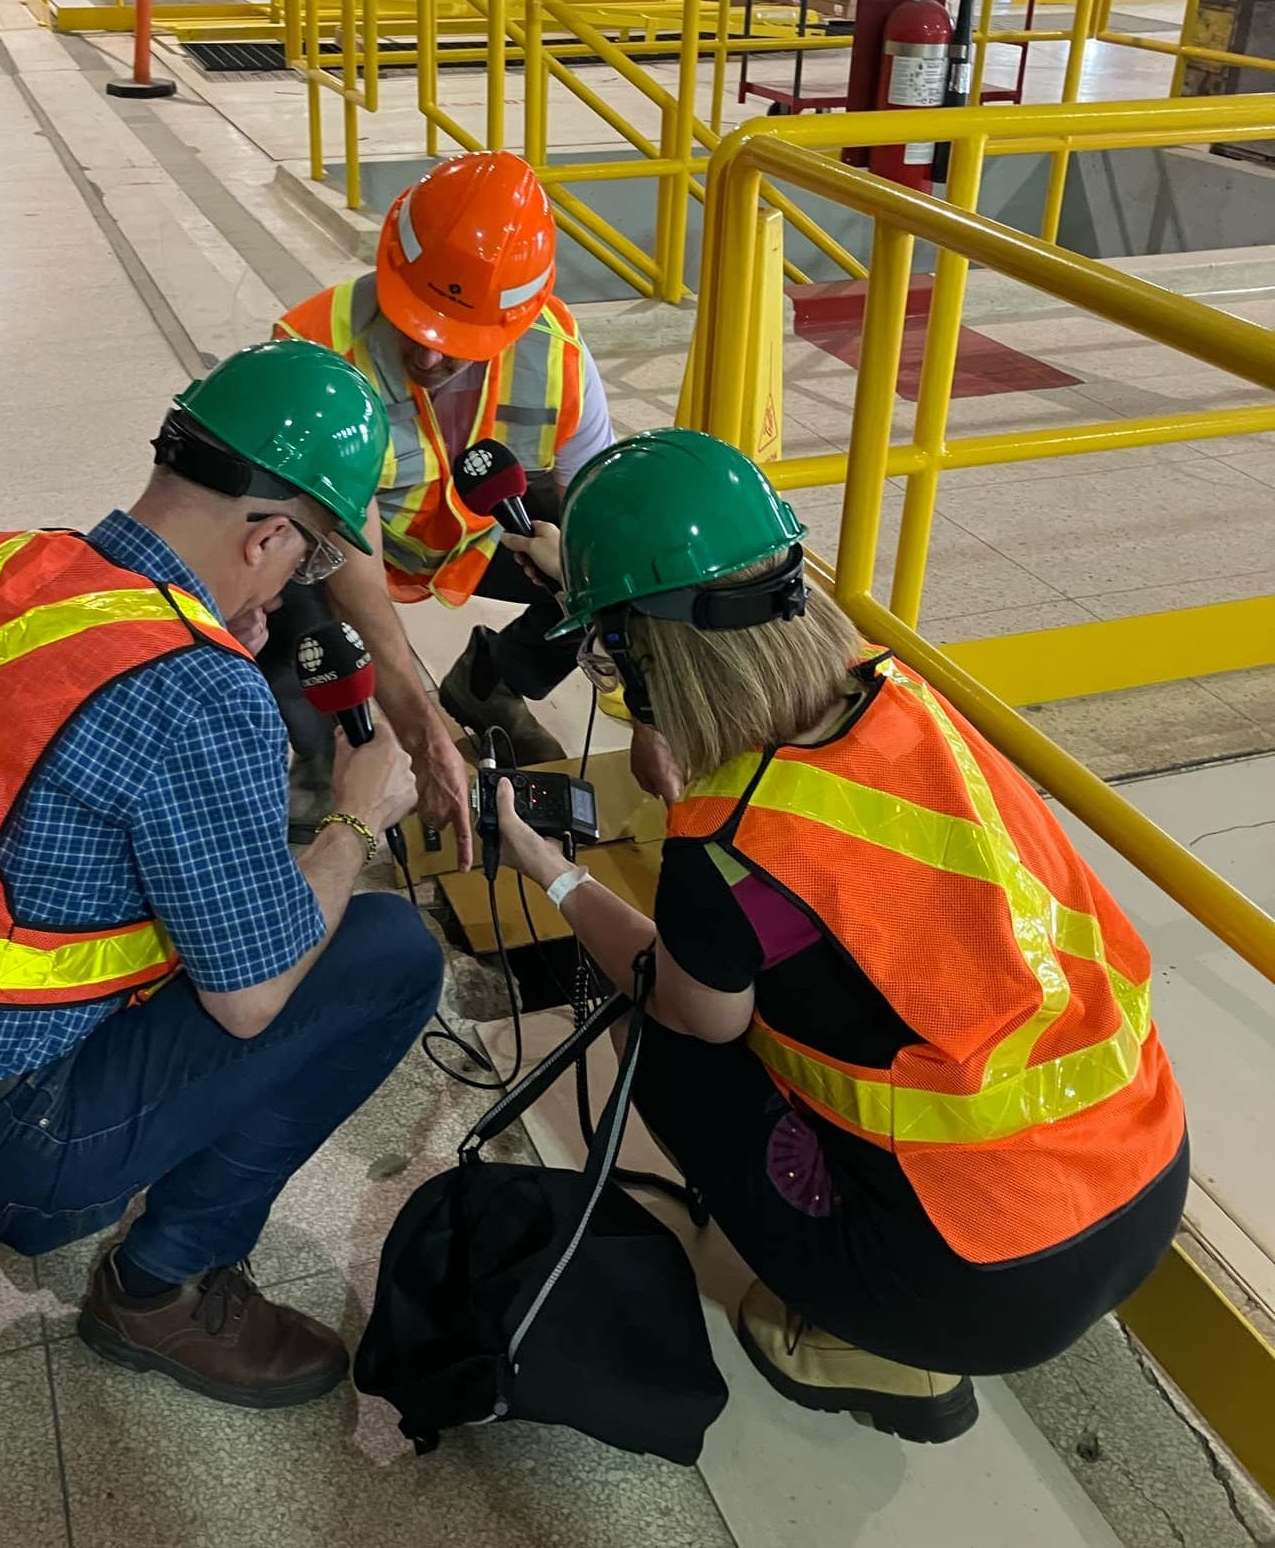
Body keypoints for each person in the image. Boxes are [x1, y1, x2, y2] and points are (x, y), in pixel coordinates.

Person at [491, 428, 1189, 1445]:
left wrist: (549, 870)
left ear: (642, 661)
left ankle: (876, 1350)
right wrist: (605, 589)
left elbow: (686, 1004)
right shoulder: (907, 696)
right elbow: (721, 639)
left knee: (659, 1036)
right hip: (1144, 1178)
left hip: (978, 1286)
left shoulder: (728, 846)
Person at [0, 343, 443, 1411]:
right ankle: (160, 1287)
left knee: (222, 894)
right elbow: (253, 1000)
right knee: (386, 952)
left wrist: (207, 646)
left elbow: (49, 754)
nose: (293, 583)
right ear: (267, 535)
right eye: (307, 559)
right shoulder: (198, 692)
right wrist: (354, 816)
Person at [268, 149, 674, 853]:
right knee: (284, 587)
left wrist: (650, 712)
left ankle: (491, 682)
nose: (427, 359)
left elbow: (603, 520)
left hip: (478, 535)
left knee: (607, 558)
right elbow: (352, 567)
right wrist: (420, 730)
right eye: (412, 324)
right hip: (345, 545)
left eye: (455, 342)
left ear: (515, 319)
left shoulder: (556, 353)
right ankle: (319, 754)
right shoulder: (314, 350)